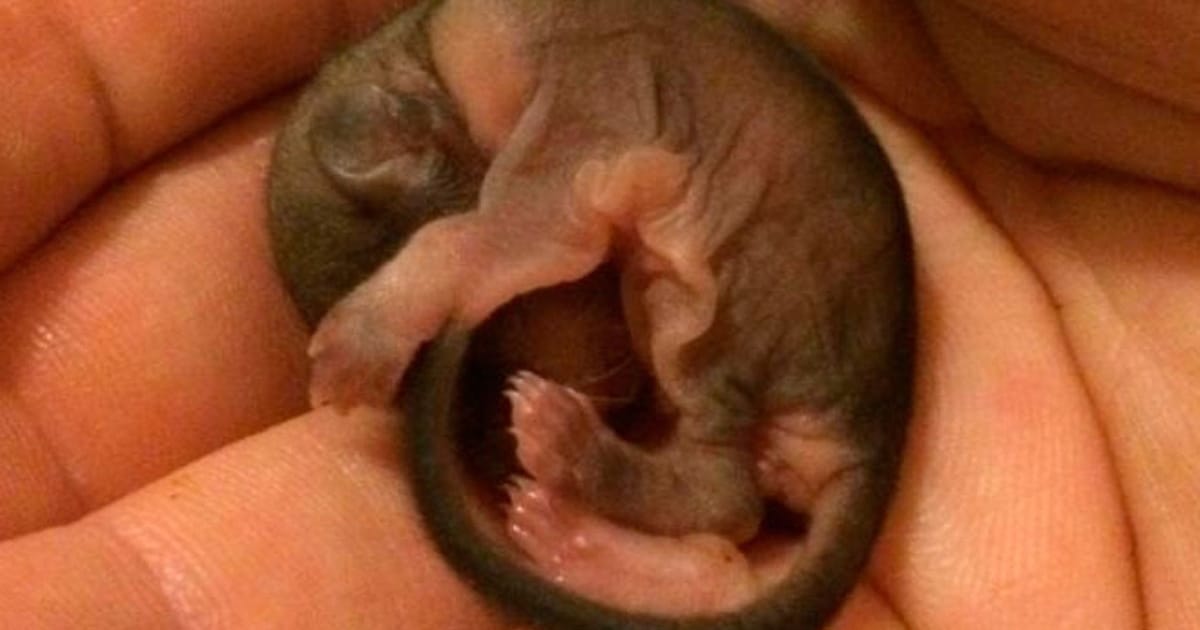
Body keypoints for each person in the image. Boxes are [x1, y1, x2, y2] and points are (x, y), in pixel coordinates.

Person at [0, 0, 1193, 626]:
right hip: (815, 301)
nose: (590, 355)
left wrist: (401, 301)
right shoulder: (559, 59)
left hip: (799, 308)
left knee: (715, 379)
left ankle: (698, 499)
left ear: (397, 141)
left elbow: (542, 226)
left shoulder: (541, 45)